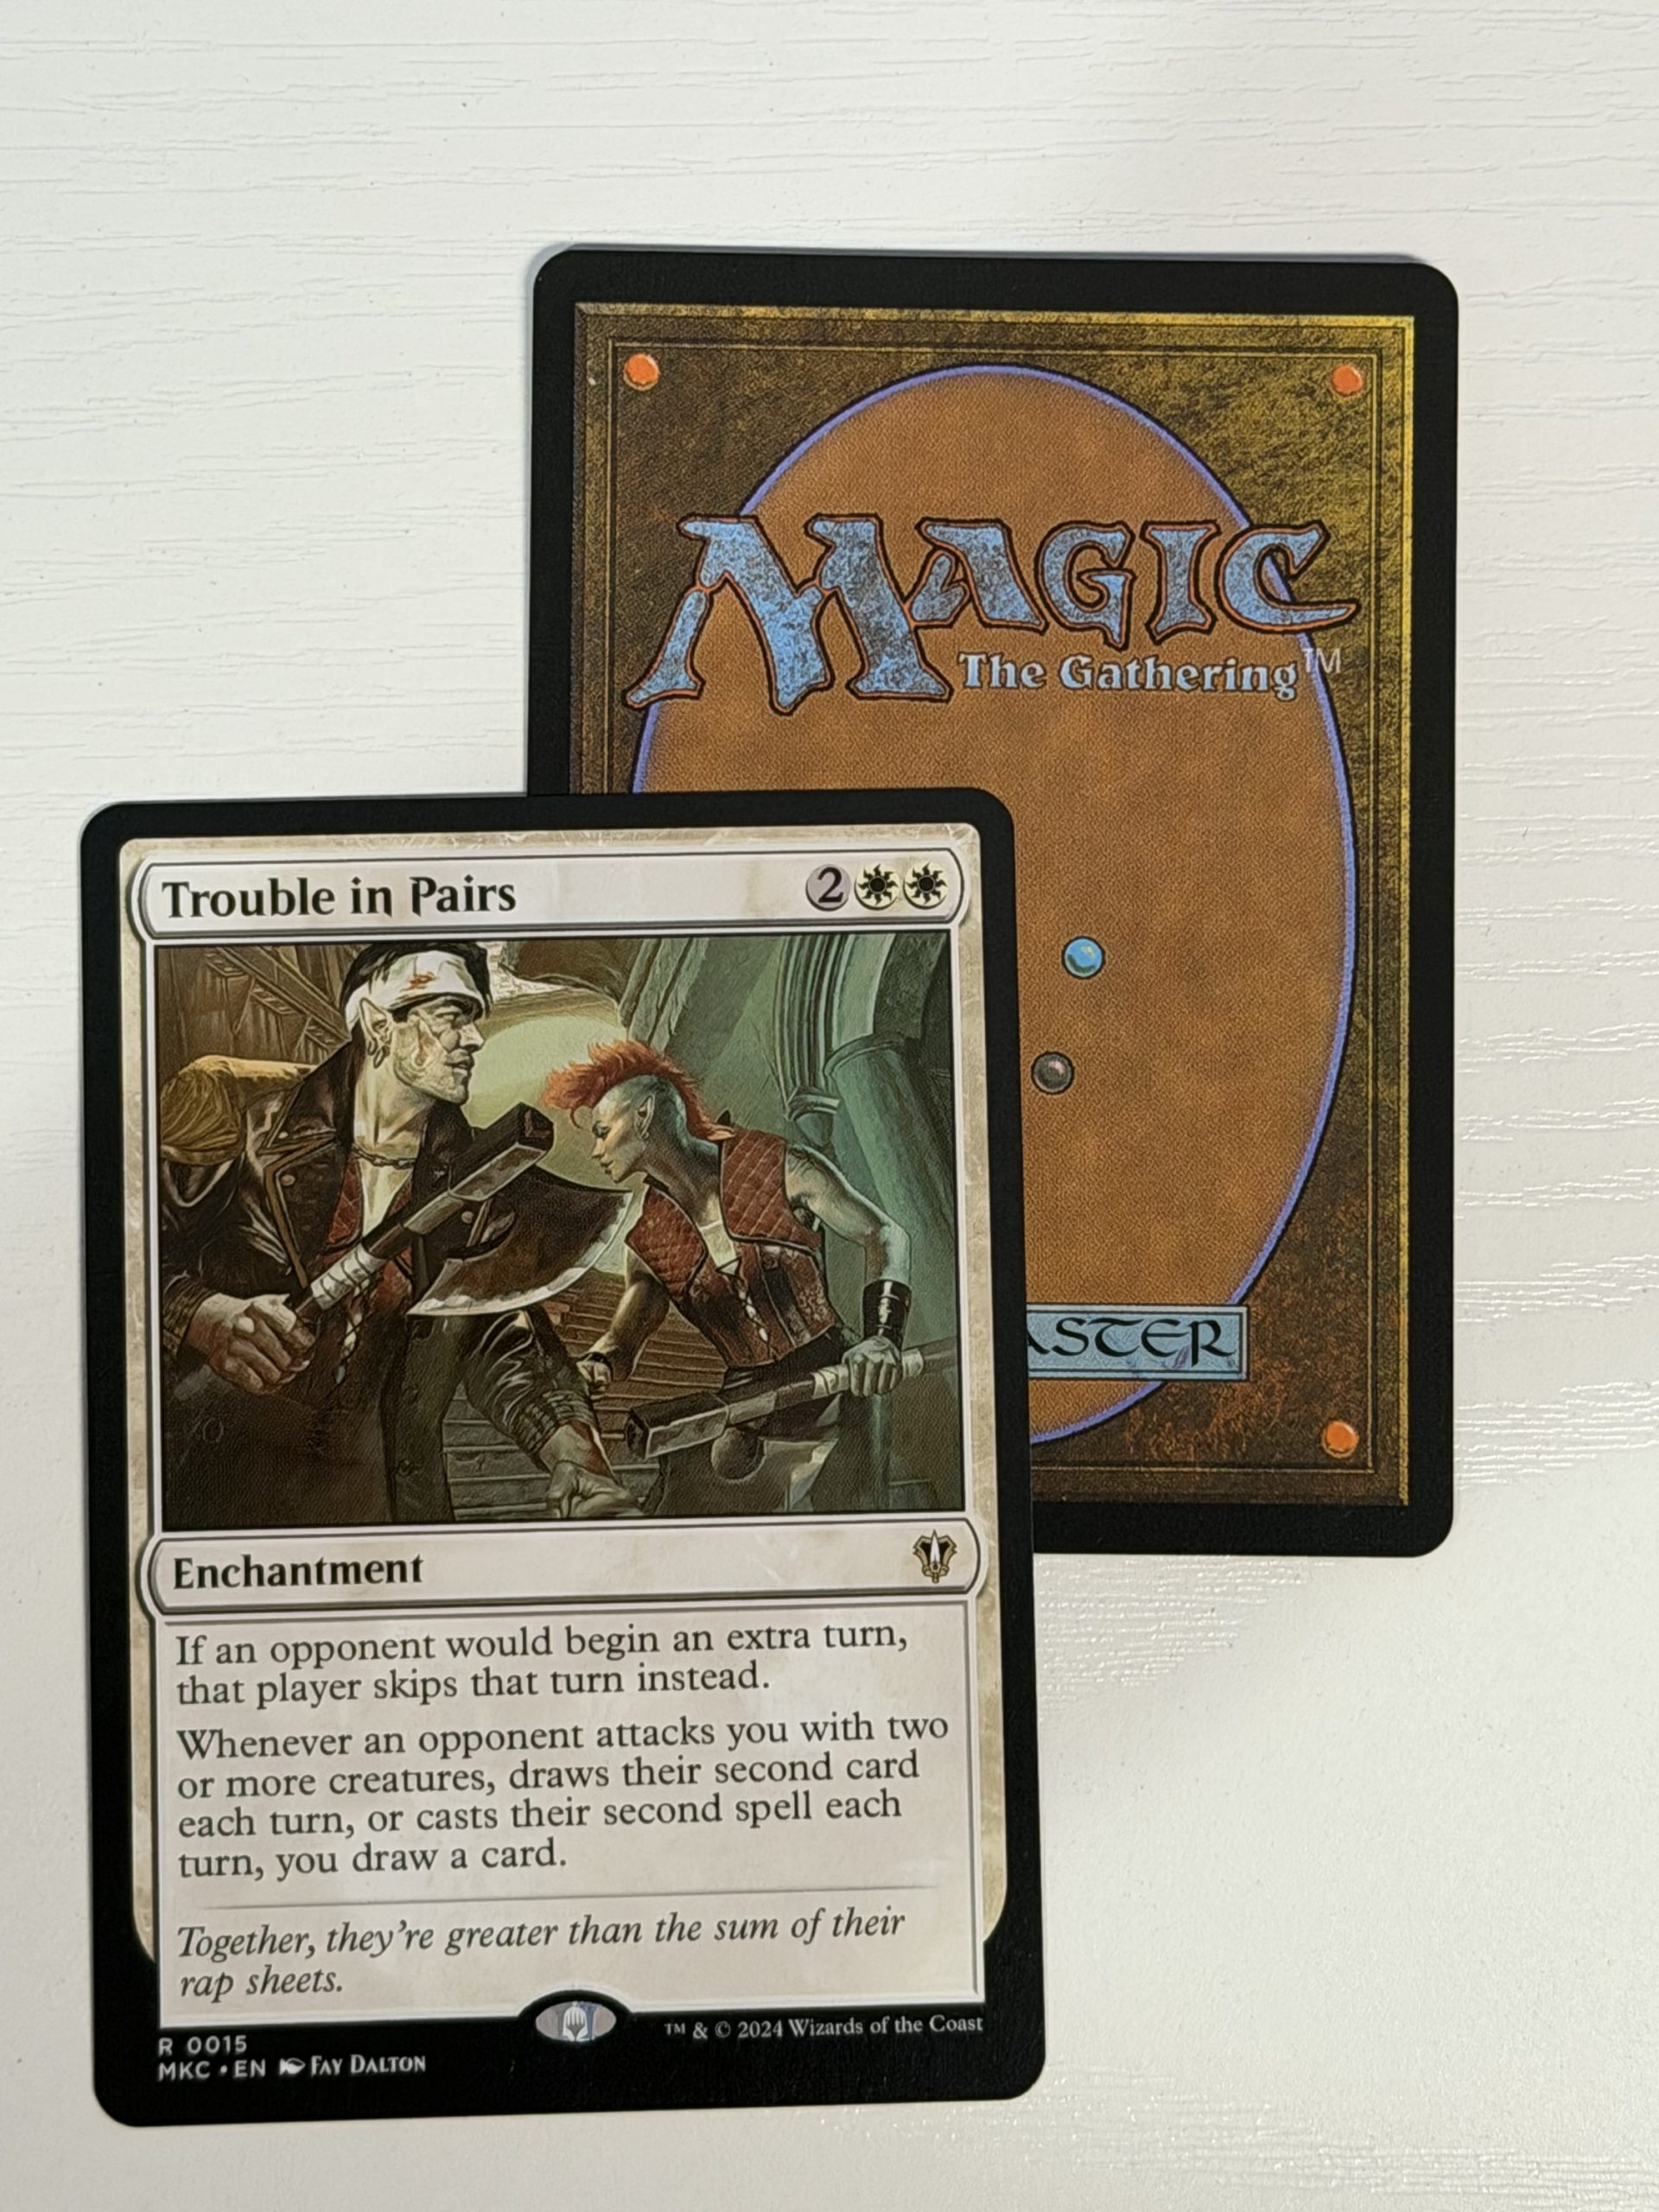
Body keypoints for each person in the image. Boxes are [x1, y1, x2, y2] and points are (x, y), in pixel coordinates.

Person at [159, 942, 637, 1528]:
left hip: (382, 1502)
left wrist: (577, 1456)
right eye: (452, 1015)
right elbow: (126, 1261)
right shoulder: (241, 1123)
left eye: (475, 1017)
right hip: (214, 1486)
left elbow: (505, 1338)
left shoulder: (480, 1181)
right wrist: (205, 1316)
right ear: (378, 1023)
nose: (474, 1039)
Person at [542, 1039, 913, 1515]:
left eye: (602, 1131)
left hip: (841, 1383)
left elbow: (884, 1233)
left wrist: (882, 1337)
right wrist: (596, 1364)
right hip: (746, 1406)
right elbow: (621, 1342)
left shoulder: (780, 1167)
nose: (597, 1150)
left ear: (644, 1115)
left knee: (855, 1517)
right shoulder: (649, 1239)